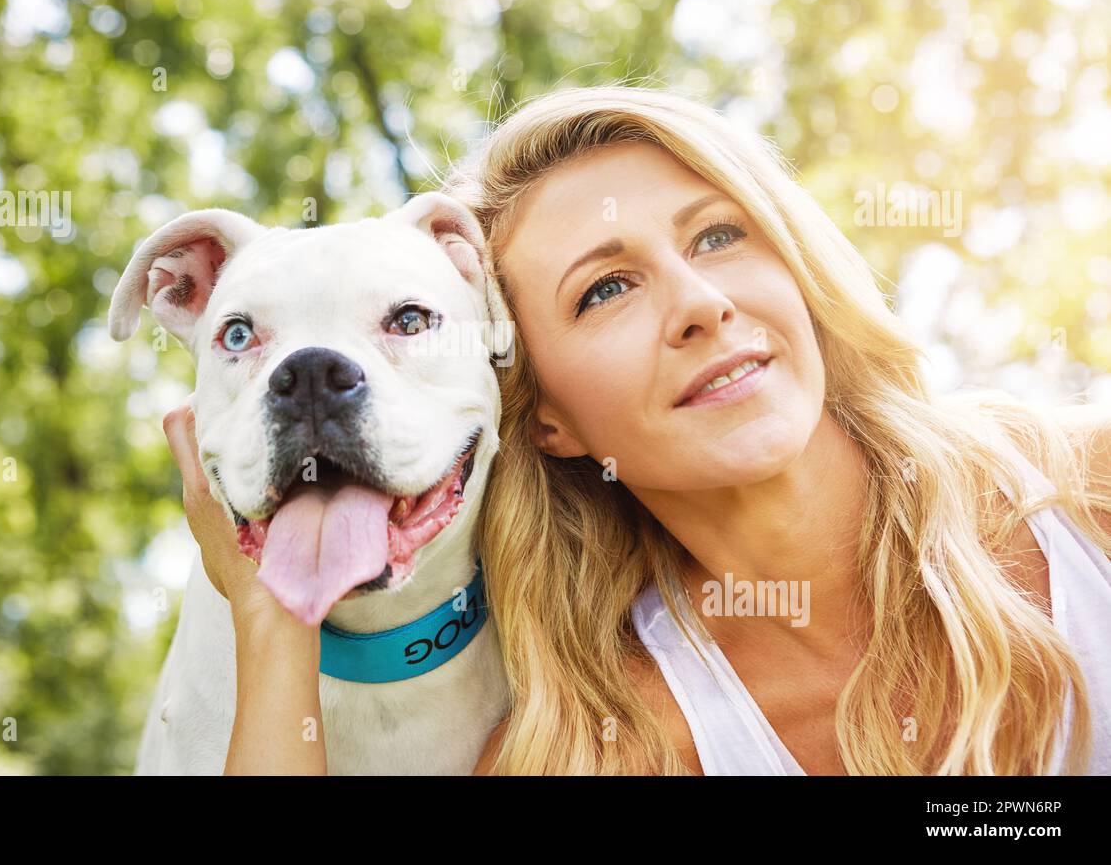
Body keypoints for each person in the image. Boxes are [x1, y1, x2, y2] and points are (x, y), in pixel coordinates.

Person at [164, 84, 1111, 775]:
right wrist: (271, 613)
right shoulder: (603, 748)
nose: (700, 304)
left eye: (718, 237)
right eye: (606, 289)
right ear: (542, 415)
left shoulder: (1085, 493)